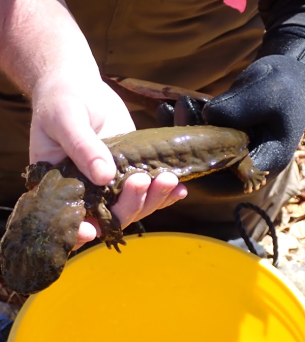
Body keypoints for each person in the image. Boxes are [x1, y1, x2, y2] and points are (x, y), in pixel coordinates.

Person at [0, 0, 304, 250]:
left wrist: (294, 53)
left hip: (213, 93)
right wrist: (54, 69)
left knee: (212, 225)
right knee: (33, 218)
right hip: (34, 108)